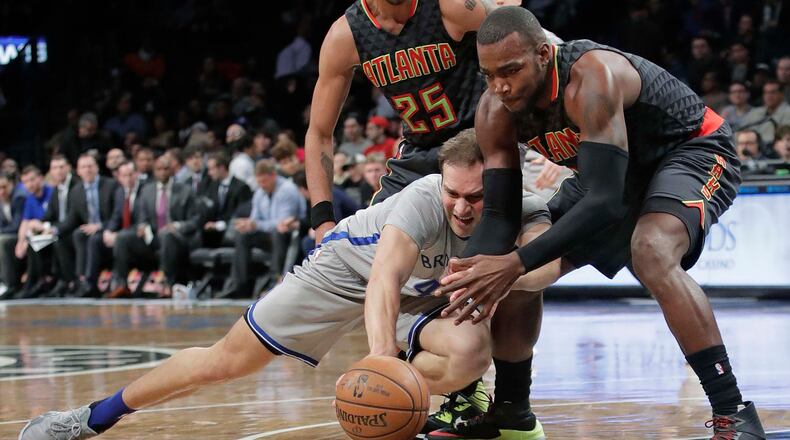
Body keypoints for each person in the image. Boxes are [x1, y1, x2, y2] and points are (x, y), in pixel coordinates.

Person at [19, 129, 553, 440]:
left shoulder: (523, 205)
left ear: (502, 189)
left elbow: (548, 262)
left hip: (428, 289)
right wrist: (378, 355)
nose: (461, 207)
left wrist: (523, 260)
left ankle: (429, 396)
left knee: (470, 348)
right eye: (453, 194)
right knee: (225, 361)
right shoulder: (423, 198)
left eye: (476, 199)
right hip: (345, 271)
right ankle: (88, 419)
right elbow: (383, 279)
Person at [433, 8, 765, 439]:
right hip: (609, 173)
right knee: (508, 267)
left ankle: (734, 412)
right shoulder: (494, 108)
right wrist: (476, 269)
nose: (500, 85)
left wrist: (513, 263)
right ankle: (512, 411)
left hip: (690, 150)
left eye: (511, 70)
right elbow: (498, 213)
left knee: (650, 251)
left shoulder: (592, 78)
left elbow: (605, 202)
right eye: (489, 74)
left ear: (543, 54)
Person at [305, 0, 562, 431]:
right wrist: (322, 217)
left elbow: (536, 44)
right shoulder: (346, 35)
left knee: (505, 267)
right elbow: (318, 132)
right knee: (386, 277)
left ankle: (510, 403)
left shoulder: (453, 8)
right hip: (418, 161)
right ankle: (443, 385)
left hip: (481, 148)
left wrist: (559, 131)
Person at [108, 155, 201, 299]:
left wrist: (177, 226)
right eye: (159, 169)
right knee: (123, 237)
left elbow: (195, 220)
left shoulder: (185, 190)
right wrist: (142, 226)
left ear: (172, 171)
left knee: (166, 235)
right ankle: (122, 284)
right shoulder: (147, 190)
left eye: (166, 169)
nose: (162, 172)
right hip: (153, 238)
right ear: (154, 171)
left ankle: (166, 284)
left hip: (178, 239)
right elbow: (143, 218)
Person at [220, 160, 305, 298]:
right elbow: (255, 219)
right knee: (243, 235)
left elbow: (283, 223)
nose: (261, 185)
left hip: (289, 235)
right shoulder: (259, 191)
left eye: (264, 181)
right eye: (259, 182)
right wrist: (248, 225)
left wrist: (256, 225)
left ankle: (275, 280)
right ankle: (239, 285)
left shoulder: (287, 190)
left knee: (278, 233)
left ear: (273, 176)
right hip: (267, 234)